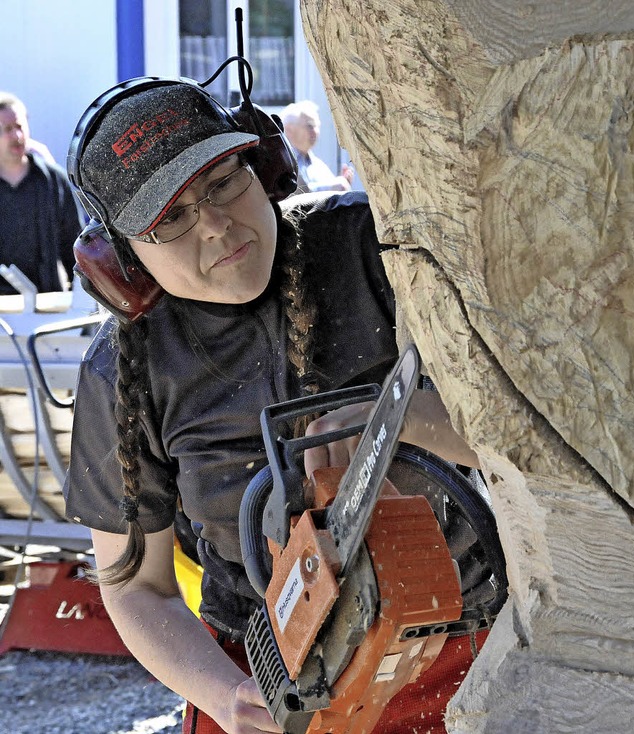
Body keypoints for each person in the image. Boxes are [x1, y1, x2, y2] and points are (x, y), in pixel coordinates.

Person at [63, 76, 499, 734]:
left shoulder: (373, 250)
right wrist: (226, 694)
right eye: (171, 217)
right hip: (266, 680)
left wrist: (401, 418)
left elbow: (523, 439)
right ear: (121, 260)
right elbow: (136, 587)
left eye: (221, 181)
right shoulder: (122, 372)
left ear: (263, 164)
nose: (214, 223)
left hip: (456, 646)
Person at [0, 92, 83, 295]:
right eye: (7, 129)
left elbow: (75, 245)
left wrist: (81, 298)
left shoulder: (53, 181)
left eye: (19, 126)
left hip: (47, 306)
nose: (17, 136)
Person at [281, 100, 354, 193]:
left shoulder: (319, 165)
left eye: (317, 126)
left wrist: (342, 184)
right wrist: (331, 187)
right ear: (289, 130)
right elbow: (294, 194)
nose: (315, 131)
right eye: (310, 126)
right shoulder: (282, 161)